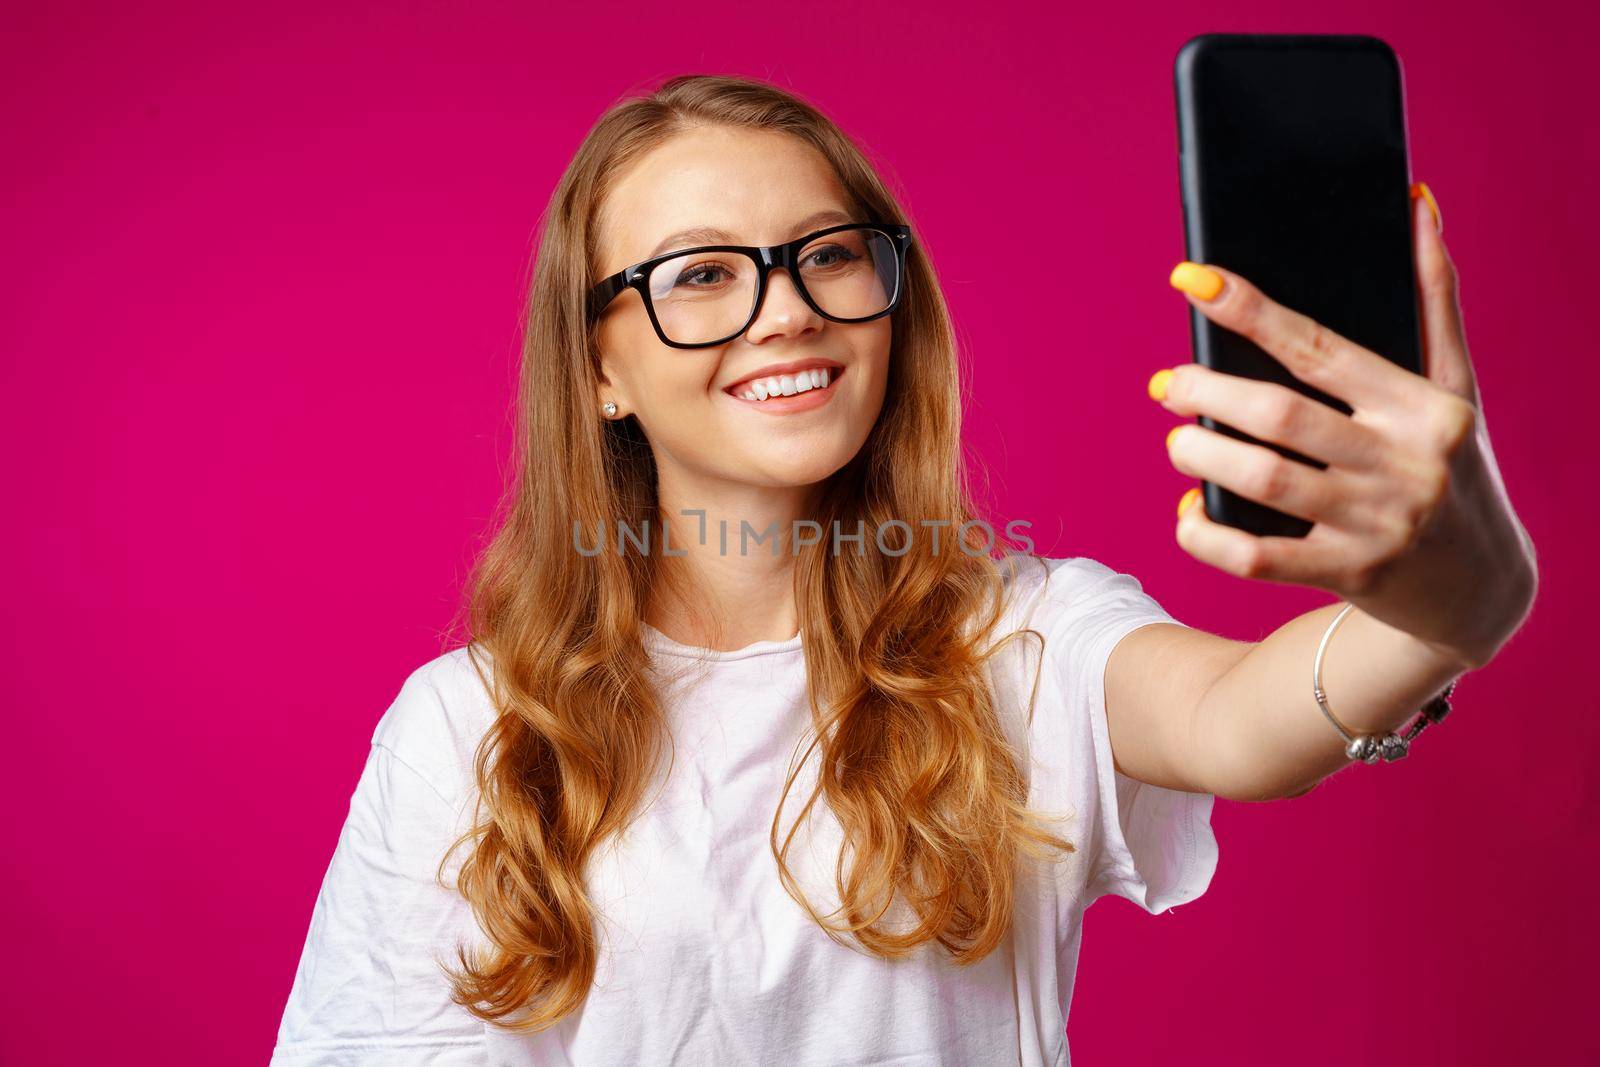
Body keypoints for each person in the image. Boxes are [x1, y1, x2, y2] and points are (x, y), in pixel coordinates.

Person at [268, 74, 1536, 1065]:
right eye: (699, 275)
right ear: (598, 367)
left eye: (826, 252)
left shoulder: (1022, 640)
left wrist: (1459, 582)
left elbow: (1246, 719)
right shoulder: (467, 725)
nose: (785, 309)